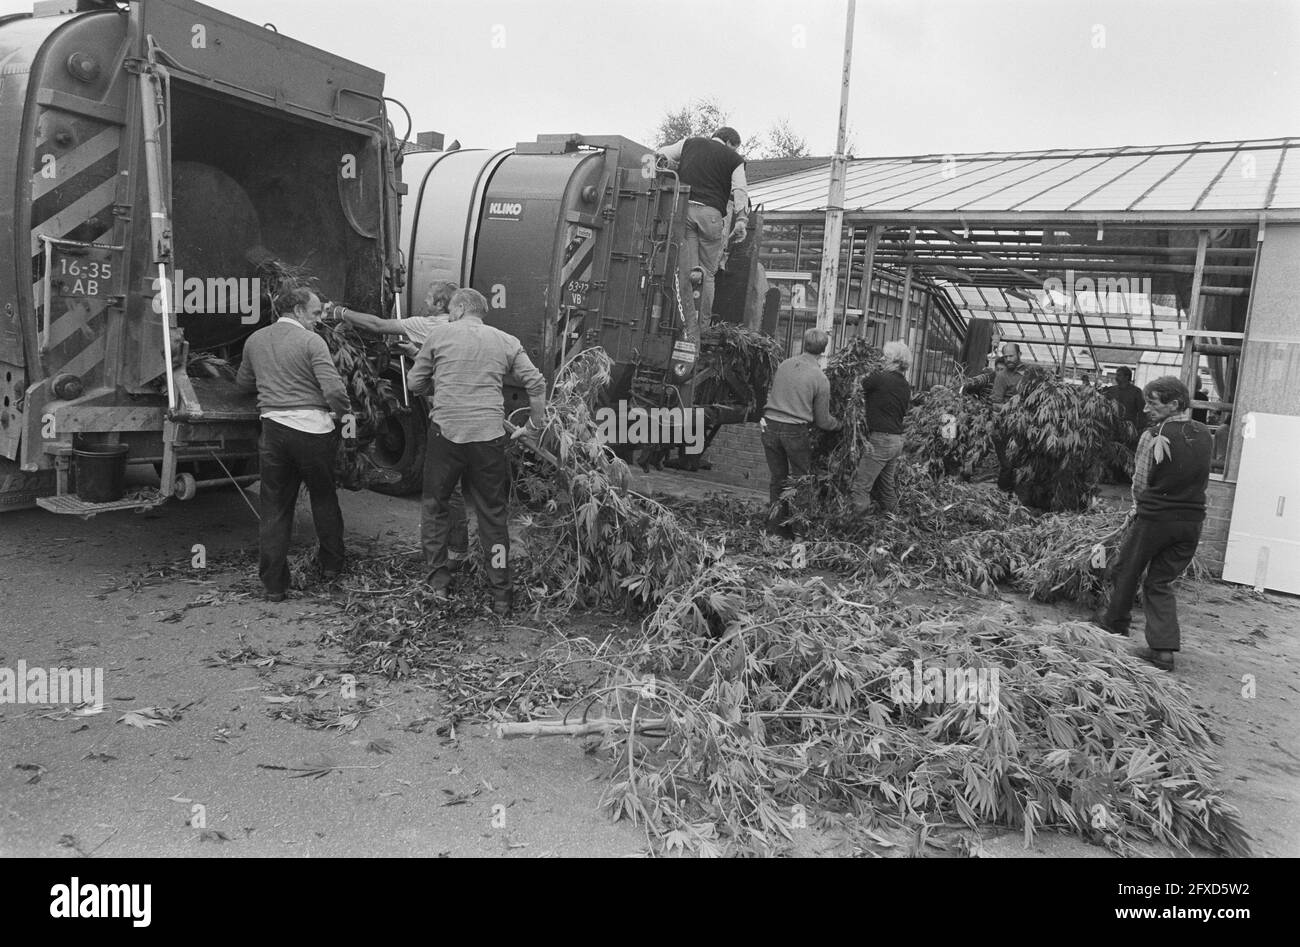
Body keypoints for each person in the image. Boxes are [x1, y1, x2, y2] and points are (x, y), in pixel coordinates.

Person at [407, 288, 547, 616]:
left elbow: (415, 384)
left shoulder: (439, 336)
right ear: (482, 311)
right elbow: (536, 384)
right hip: (488, 438)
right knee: (492, 516)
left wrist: (440, 387)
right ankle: (501, 594)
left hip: (446, 435)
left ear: (458, 308)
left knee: (435, 507)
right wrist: (533, 426)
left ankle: (438, 584)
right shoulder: (505, 340)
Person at [328, 281, 473, 564]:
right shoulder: (464, 330)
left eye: (429, 298)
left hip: (445, 419)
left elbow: (379, 325)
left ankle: (442, 557)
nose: (425, 302)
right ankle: (460, 550)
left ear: (441, 305)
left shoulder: (428, 324)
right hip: (471, 418)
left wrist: (340, 312)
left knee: (438, 489)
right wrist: (416, 354)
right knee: (460, 487)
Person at [236, 287, 353, 602]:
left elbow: (243, 383)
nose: (318, 321)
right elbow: (334, 389)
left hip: (273, 430)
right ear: (299, 310)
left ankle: (274, 585)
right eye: (315, 314)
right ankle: (332, 567)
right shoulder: (311, 341)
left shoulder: (255, 340)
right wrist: (345, 415)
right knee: (324, 498)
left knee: (274, 506)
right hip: (313, 432)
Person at [1093, 377, 1212, 671]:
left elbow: (1141, 482)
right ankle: (1163, 650)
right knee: (1159, 582)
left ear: (1174, 404)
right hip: (1191, 523)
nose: (1146, 408)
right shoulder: (1205, 434)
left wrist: (1136, 510)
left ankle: (1114, 624)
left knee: (1126, 570)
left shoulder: (1154, 436)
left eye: (1153, 402)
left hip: (1156, 519)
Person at [656, 127, 749, 339]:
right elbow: (740, 190)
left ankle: (685, 326)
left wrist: (677, 167)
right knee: (707, 274)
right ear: (729, 143)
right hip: (711, 216)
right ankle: (703, 328)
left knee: (688, 271)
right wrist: (741, 219)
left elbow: (661, 154)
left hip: (684, 212)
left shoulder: (688, 143)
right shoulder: (734, 159)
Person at [761, 328, 841, 539]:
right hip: (794, 431)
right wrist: (839, 425)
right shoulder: (820, 378)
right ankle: (799, 533)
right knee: (801, 482)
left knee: (778, 479)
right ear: (824, 350)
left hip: (769, 426)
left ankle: (774, 531)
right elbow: (823, 421)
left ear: (804, 343)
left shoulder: (785, 365)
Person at [853, 341, 912, 515]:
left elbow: (857, 388)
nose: (881, 360)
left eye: (885, 357)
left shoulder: (880, 379)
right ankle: (897, 524)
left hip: (881, 440)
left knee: (860, 486)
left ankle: (855, 526)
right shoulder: (905, 385)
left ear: (894, 361)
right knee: (887, 487)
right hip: (896, 441)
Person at [990, 342, 1026, 493]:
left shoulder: (1028, 374)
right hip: (1003, 429)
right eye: (1006, 356)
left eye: (1011, 355)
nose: (1008, 359)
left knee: (1019, 465)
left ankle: (1014, 497)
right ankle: (1001, 496)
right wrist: (1014, 406)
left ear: (1019, 355)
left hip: (1022, 428)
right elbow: (995, 405)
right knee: (1007, 465)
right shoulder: (1001, 377)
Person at [1103, 366, 1145, 433]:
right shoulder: (1111, 390)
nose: (1116, 377)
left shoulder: (1136, 392)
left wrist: (1139, 429)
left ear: (1127, 377)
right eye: (1116, 375)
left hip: (1128, 430)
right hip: (1111, 428)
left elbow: (1142, 412)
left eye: (1119, 375)